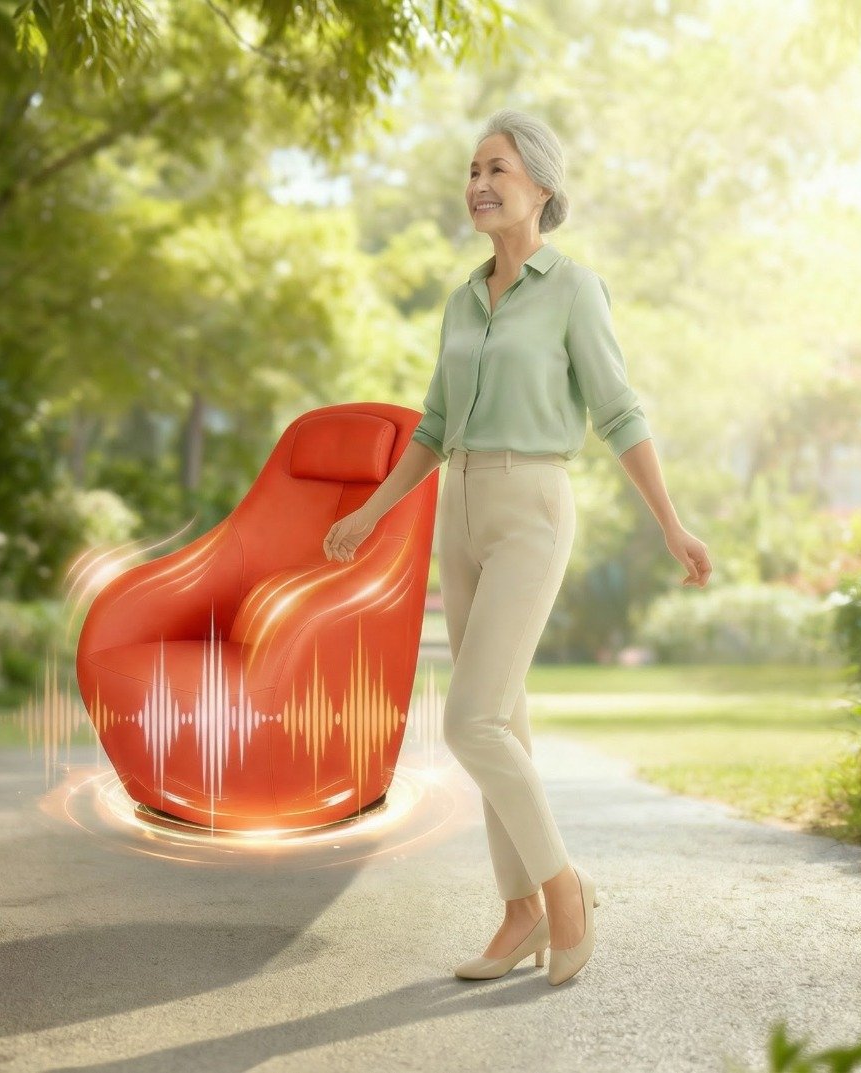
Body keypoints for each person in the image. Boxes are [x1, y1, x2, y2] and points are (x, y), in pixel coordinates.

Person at [322, 109, 712, 985]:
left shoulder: (574, 289)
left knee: (472, 720)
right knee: (508, 719)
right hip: (458, 506)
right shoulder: (463, 299)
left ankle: (564, 889)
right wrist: (374, 512)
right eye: (471, 171)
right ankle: (519, 910)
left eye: (495, 168)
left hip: (531, 503)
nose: (478, 185)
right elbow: (432, 426)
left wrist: (671, 522)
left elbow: (619, 412)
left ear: (541, 183)